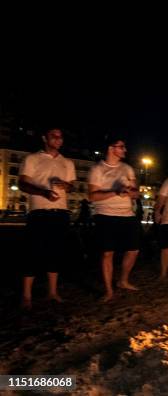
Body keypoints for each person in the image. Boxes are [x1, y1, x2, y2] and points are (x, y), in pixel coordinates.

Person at [18, 128, 76, 309]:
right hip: (39, 211)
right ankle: (26, 295)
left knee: (56, 252)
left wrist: (67, 186)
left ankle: (52, 292)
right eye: (54, 136)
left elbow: (72, 187)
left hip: (61, 212)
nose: (59, 139)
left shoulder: (67, 162)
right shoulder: (32, 159)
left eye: (61, 136)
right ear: (44, 138)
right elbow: (22, 183)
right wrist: (43, 192)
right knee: (32, 252)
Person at [88, 135, 141, 302]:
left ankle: (123, 280)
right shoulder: (97, 169)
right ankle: (109, 290)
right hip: (105, 215)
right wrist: (115, 192)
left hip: (127, 215)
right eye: (121, 146)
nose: (125, 150)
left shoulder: (127, 169)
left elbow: (136, 193)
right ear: (111, 149)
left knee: (133, 250)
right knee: (107, 253)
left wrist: (131, 192)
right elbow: (92, 196)